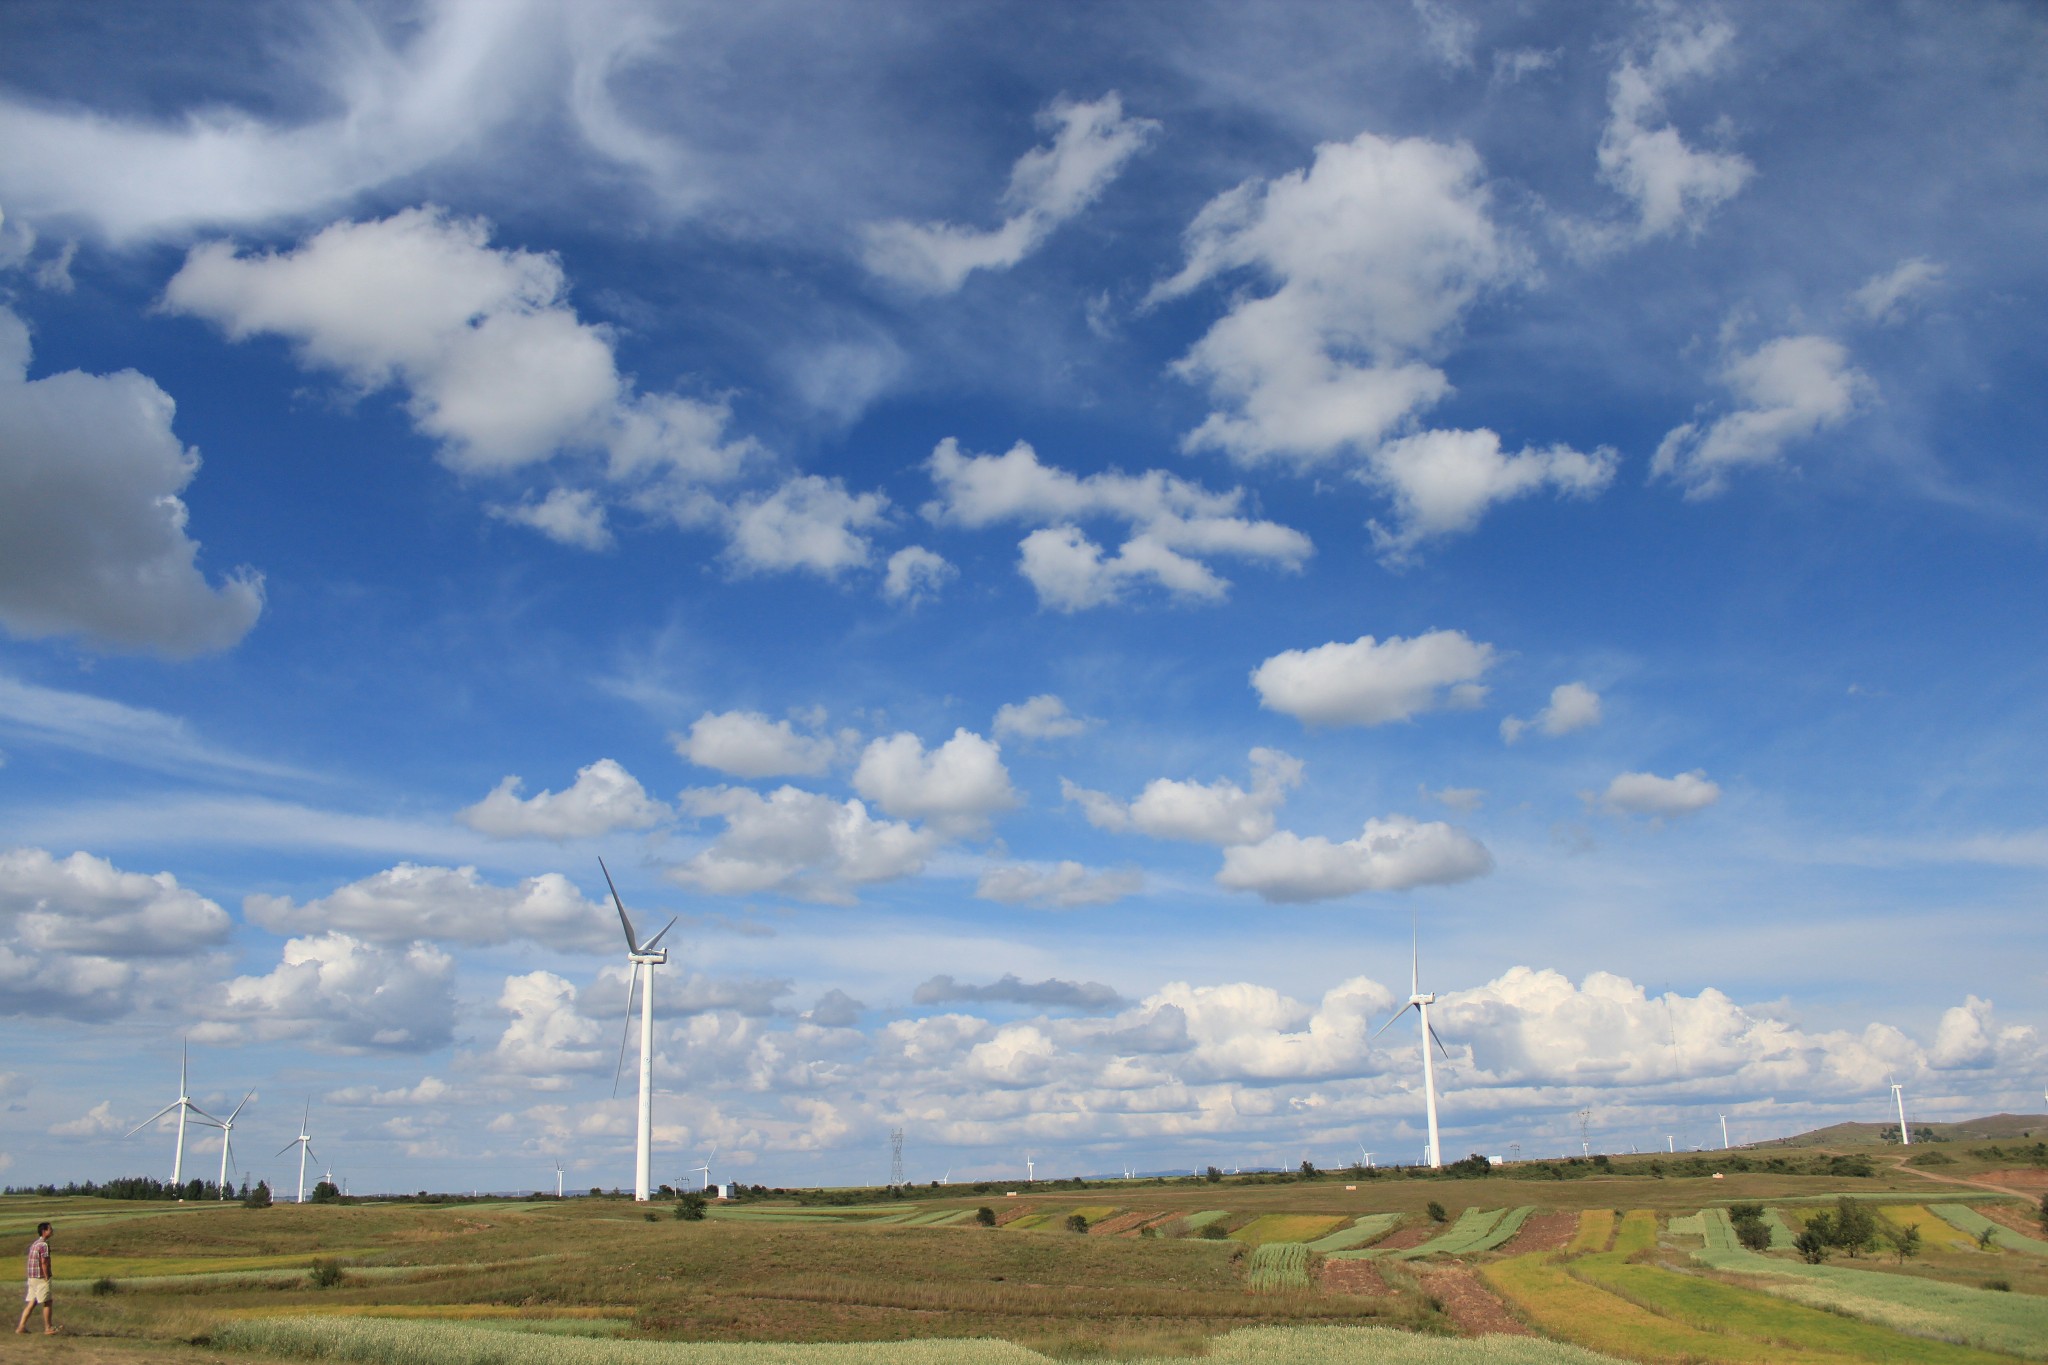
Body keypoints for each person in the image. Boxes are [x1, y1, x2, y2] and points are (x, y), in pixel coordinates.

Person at [16, 1221, 53, 1335]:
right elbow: (44, 1262)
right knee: (47, 1301)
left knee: (32, 1302)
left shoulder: (35, 1244)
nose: (52, 1231)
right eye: (50, 1229)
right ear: (44, 1231)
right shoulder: (44, 1245)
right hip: (40, 1277)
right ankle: (48, 1327)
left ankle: (21, 1326)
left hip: (31, 1277)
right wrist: (47, 1276)